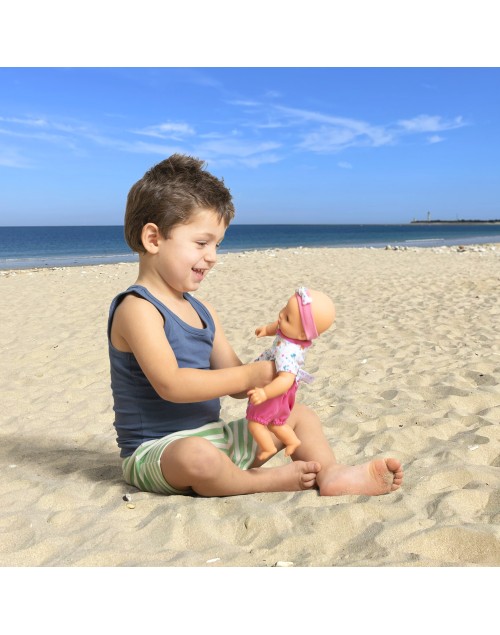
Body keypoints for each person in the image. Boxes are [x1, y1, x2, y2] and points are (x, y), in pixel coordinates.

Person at [108, 153, 404, 497]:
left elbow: (234, 382)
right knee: (197, 457)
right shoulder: (137, 308)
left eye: (217, 244)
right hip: (158, 452)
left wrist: (274, 367)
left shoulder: (203, 311)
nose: (213, 256)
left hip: (215, 437)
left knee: (301, 416)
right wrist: (251, 376)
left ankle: (333, 474)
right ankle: (260, 481)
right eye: (202, 243)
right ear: (154, 239)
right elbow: (172, 385)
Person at [246, 287, 335, 461]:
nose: (281, 316)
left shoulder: (287, 352)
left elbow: (286, 379)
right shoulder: (291, 331)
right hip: (284, 392)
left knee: (255, 422)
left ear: (303, 333)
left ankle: (268, 447)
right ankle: (292, 440)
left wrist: (265, 393)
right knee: (276, 423)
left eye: (287, 317)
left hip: (276, 390)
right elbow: (277, 327)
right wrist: (266, 329)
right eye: (284, 309)